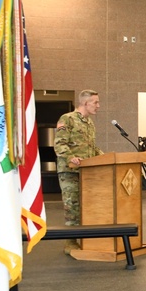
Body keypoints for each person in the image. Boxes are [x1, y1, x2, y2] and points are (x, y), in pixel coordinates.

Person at [54, 89, 103, 255]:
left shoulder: (89, 123)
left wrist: (107, 157)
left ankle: (84, 238)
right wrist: (71, 157)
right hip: (70, 172)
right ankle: (70, 242)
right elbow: (59, 144)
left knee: (87, 207)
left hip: (87, 172)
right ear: (84, 103)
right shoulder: (67, 119)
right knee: (72, 207)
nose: (98, 106)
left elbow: (92, 148)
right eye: (95, 102)